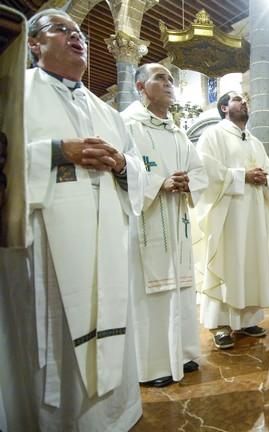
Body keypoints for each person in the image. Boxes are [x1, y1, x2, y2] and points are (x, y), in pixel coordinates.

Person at [23, 8, 145, 430]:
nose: (78, 37)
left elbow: (137, 166)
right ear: (34, 43)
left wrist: (123, 165)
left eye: (81, 33)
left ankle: (114, 415)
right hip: (48, 240)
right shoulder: (13, 94)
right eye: (63, 30)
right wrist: (58, 151)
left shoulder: (108, 112)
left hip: (108, 233)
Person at [121, 63, 208, 386]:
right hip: (146, 220)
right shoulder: (127, 125)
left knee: (182, 288)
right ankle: (153, 365)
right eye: (161, 78)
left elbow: (199, 171)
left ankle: (183, 354)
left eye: (171, 78)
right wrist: (160, 183)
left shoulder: (177, 131)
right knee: (151, 294)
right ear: (141, 87)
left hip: (177, 219)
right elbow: (120, 170)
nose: (169, 83)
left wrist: (188, 183)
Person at [193, 92, 269, 349]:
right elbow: (206, 171)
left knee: (250, 262)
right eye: (238, 99)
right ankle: (220, 325)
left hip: (253, 214)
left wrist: (264, 180)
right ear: (224, 107)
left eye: (245, 99)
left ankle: (248, 319)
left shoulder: (254, 141)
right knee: (227, 263)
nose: (245, 102)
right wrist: (243, 176)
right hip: (227, 215)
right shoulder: (213, 135)